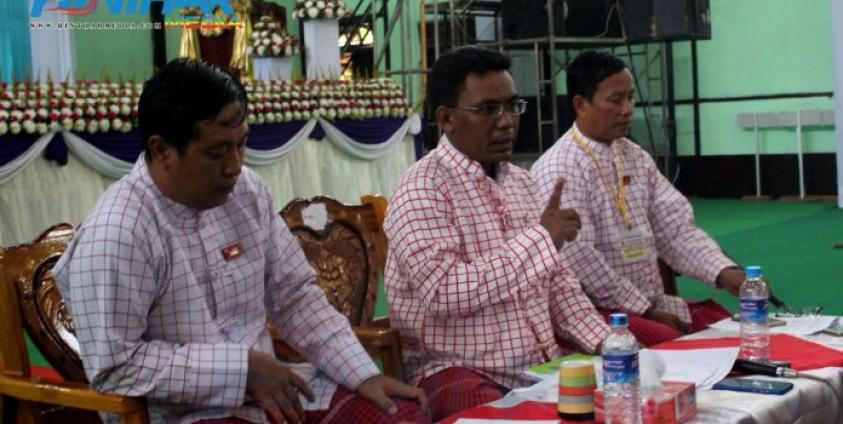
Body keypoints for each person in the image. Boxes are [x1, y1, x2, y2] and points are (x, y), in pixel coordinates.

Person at [53, 58, 428, 424]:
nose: (234, 165)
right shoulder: (120, 230)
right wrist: (239, 371)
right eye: (217, 152)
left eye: (241, 145)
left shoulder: (246, 191)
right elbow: (116, 368)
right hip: (183, 412)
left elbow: (295, 296)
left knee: (399, 415)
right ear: (162, 150)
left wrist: (363, 374)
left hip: (274, 391)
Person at [384, 47, 610, 422]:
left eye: (512, 106)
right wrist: (541, 239)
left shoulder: (521, 182)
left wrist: (606, 342)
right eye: (488, 110)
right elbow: (444, 291)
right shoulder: (422, 189)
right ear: (446, 119)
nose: (506, 122)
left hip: (539, 367)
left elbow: (558, 284)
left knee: (626, 396)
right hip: (458, 369)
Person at [531, 50, 742, 347]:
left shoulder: (633, 154)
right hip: (599, 312)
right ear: (581, 104)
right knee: (679, 344)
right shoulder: (560, 167)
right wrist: (645, 311)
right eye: (616, 100)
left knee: (726, 327)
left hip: (648, 305)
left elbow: (675, 228)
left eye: (630, 98)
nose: (628, 108)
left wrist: (724, 272)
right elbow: (580, 261)